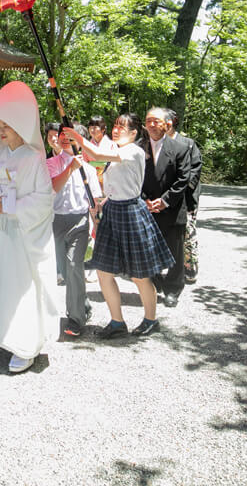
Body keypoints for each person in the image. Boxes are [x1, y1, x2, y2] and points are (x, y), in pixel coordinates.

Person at [0, 81, 60, 373]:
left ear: (21, 125)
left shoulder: (35, 159)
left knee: (25, 289)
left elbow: (44, 200)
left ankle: (27, 346)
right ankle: (7, 336)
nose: (1, 130)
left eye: (7, 124)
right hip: (4, 234)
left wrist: (12, 207)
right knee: (4, 286)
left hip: (27, 237)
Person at [65, 114, 174, 338]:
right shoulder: (117, 152)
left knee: (139, 275)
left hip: (131, 213)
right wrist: (104, 200)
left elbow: (95, 153)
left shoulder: (132, 151)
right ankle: (117, 322)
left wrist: (77, 136)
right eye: (114, 126)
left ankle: (151, 320)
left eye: (121, 128)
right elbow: (115, 182)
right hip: (113, 209)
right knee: (104, 272)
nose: (115, 130)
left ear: (134, 133)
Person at [44, 122, 102, 337]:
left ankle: (76, 318)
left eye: (70, 135)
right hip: (55, 221)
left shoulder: (88, 168)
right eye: (62, 134)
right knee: (64, 271)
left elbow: (94, 201)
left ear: (80, 140)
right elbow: (53, 188)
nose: (64, 138)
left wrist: (97, 224)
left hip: (79, 222)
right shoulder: (50, 164)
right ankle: (82, 302)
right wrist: (70, 169)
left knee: (73, 264)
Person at [140, 107, 192, 308]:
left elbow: (183, 179)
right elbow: (134, 177)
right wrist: (144, 200)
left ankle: (173, 289)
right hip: (146, 207)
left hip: (172, 207)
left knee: (174, 252)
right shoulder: (139, 148)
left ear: (166, 124)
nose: (152, 125)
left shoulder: (179, 148)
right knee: (149, 249)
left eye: (156, 121)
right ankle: (155, 283)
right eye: (149, 121)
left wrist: (164, 201)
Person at [165, 109, 202, 285]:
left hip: (184, 198)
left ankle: (190, 268)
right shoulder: (156, 144)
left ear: (171, 122)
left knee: (187, 234)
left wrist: (180, 187)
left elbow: (194, 170)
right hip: (163, 198)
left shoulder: (188, 144)